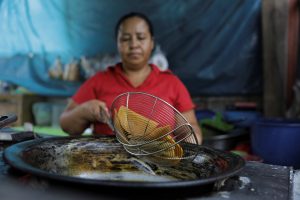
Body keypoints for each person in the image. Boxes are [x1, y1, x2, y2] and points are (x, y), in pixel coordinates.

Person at [60, 12, 203, 144]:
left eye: (141, 38)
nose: (134, 45)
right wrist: (84, 110)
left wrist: (191, 138)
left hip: (160, 165)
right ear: (117, 43)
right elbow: (66, 126)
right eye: (125, 39)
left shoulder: (172, 83)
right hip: (106, 164)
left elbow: (191, 128)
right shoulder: (98, 81)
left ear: (152, 42)